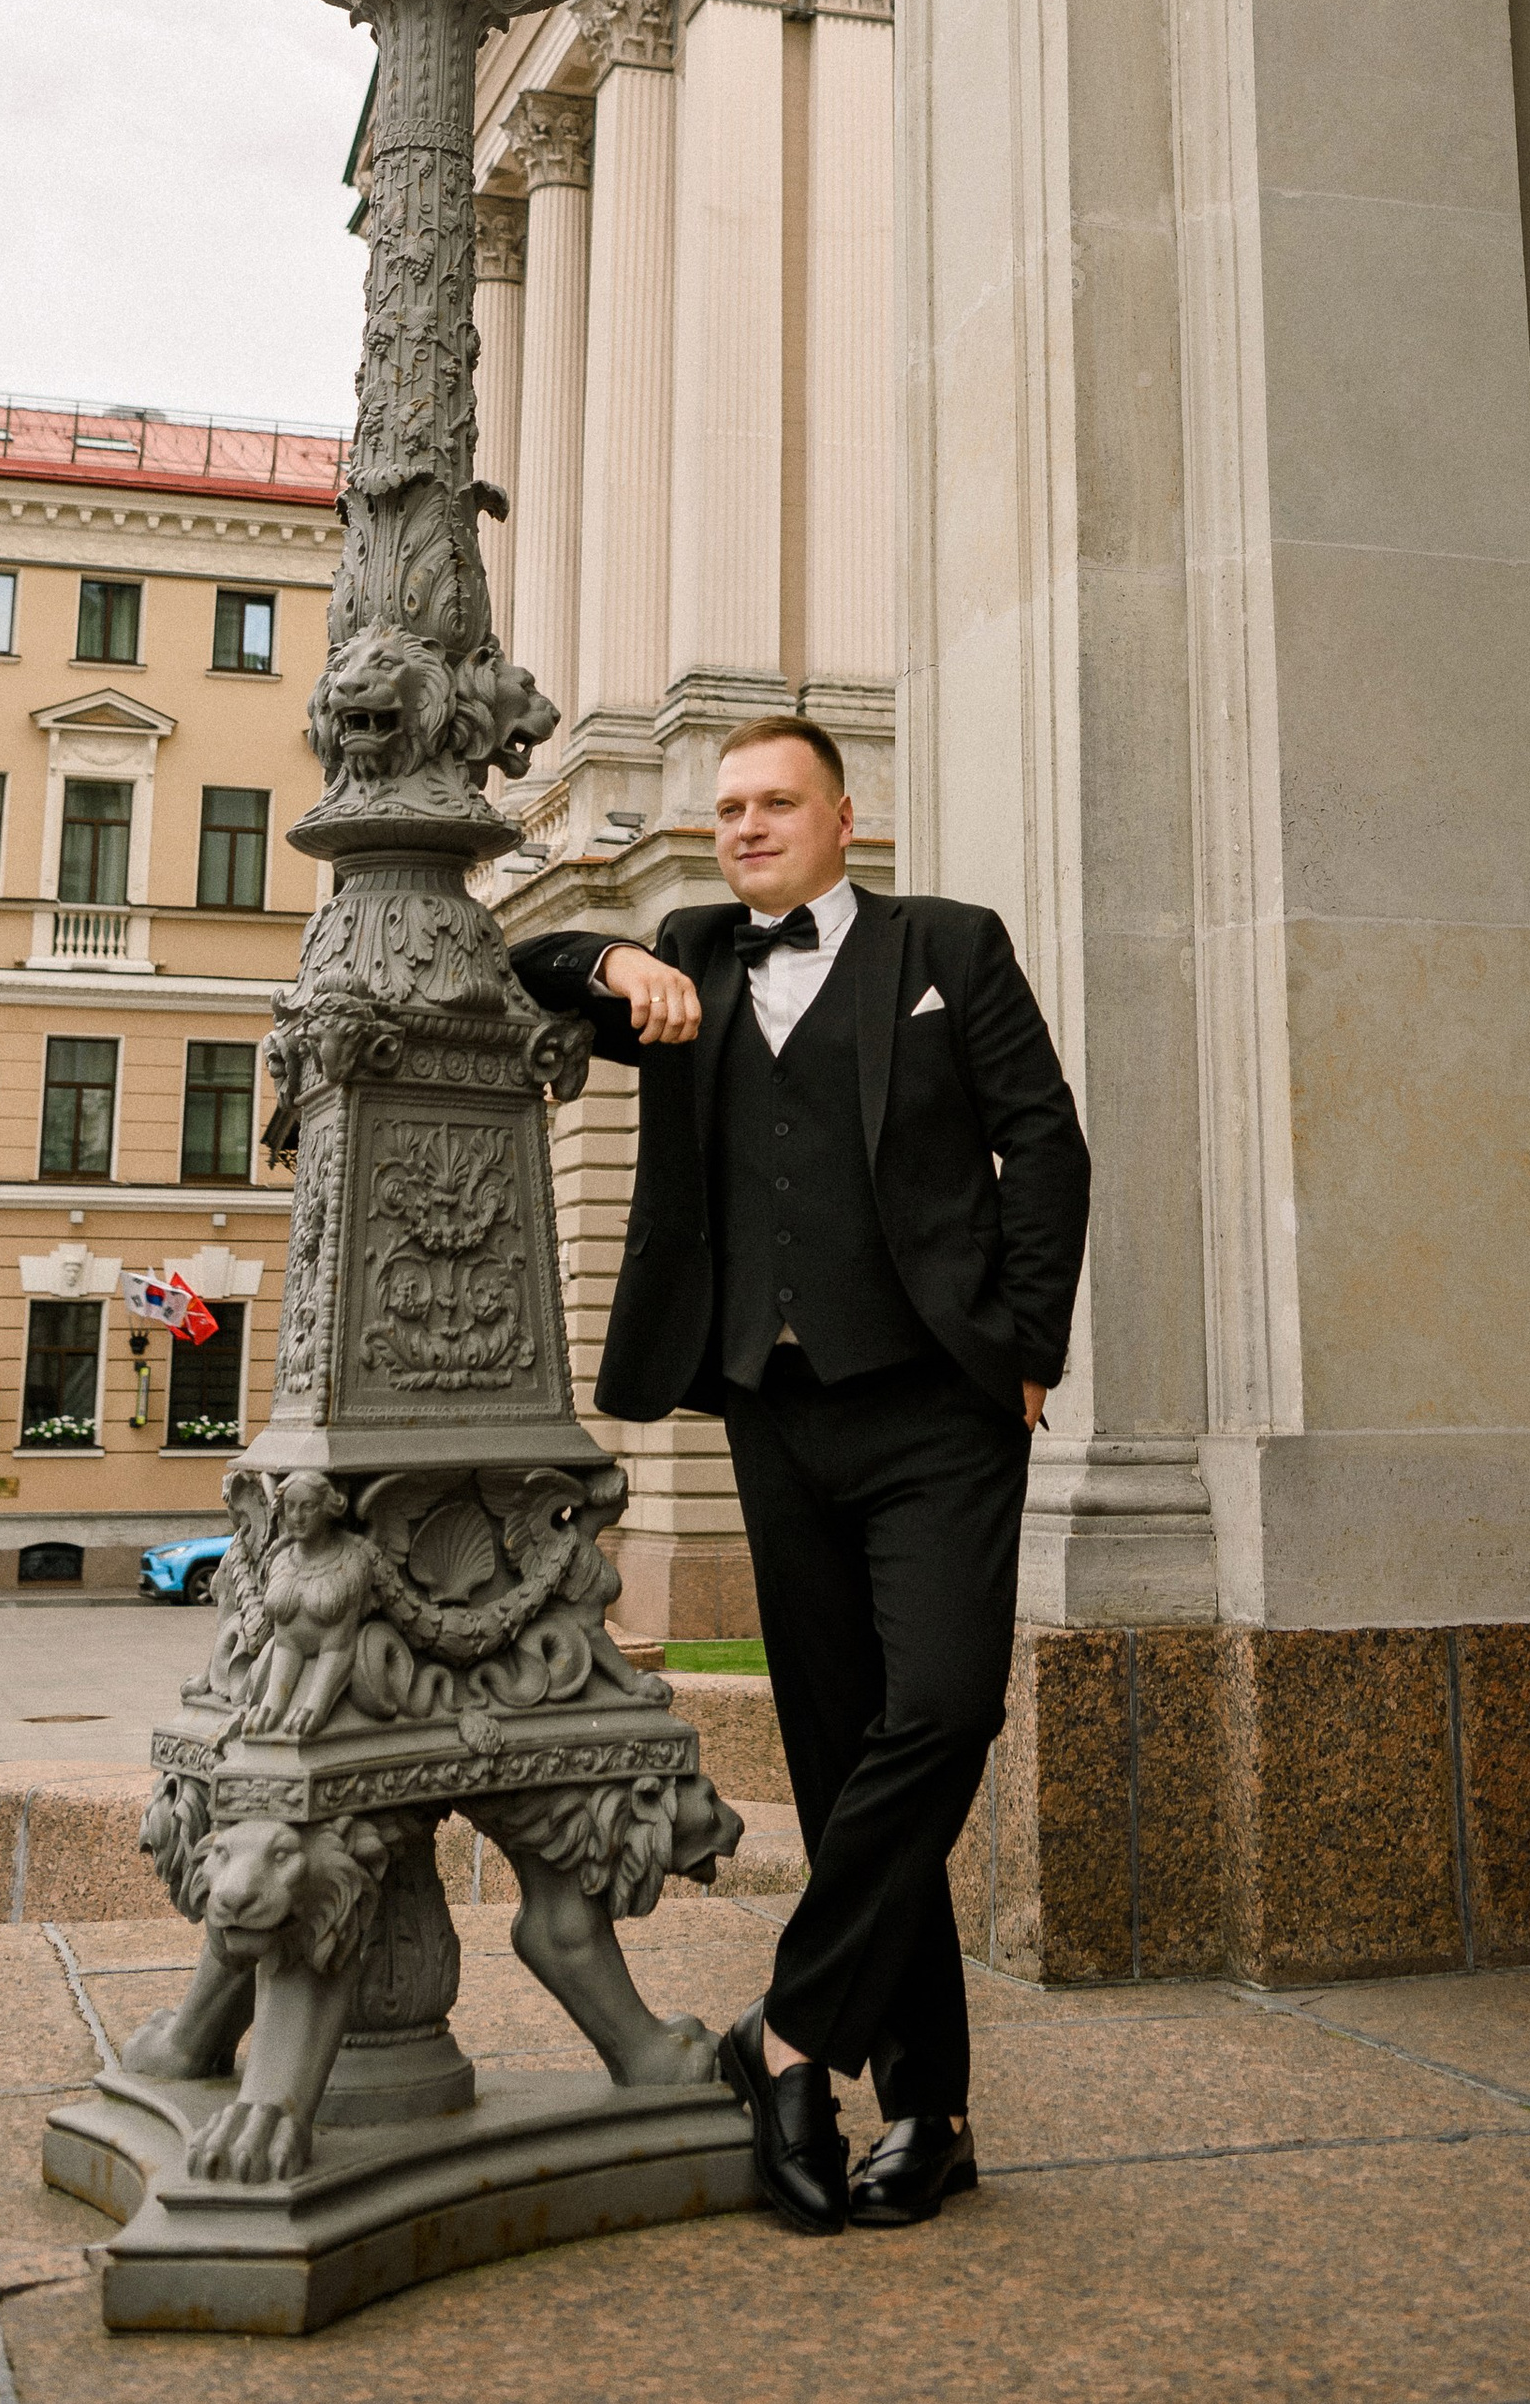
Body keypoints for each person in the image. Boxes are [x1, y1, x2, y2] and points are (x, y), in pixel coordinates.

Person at [512, 715, 1090, 2240]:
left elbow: (1045, 1139)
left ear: (845, 814)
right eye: (730, 807)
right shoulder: (695, 947)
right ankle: (929, 2106)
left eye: (777, 801)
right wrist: (604, 965)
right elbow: (522, 965)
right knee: (841, 1772)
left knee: (948, 1707)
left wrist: (1031, 1335)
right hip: (775, 1412)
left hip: (940, 1405)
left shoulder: (949, 945)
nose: (748, 824)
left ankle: (780, 2038)